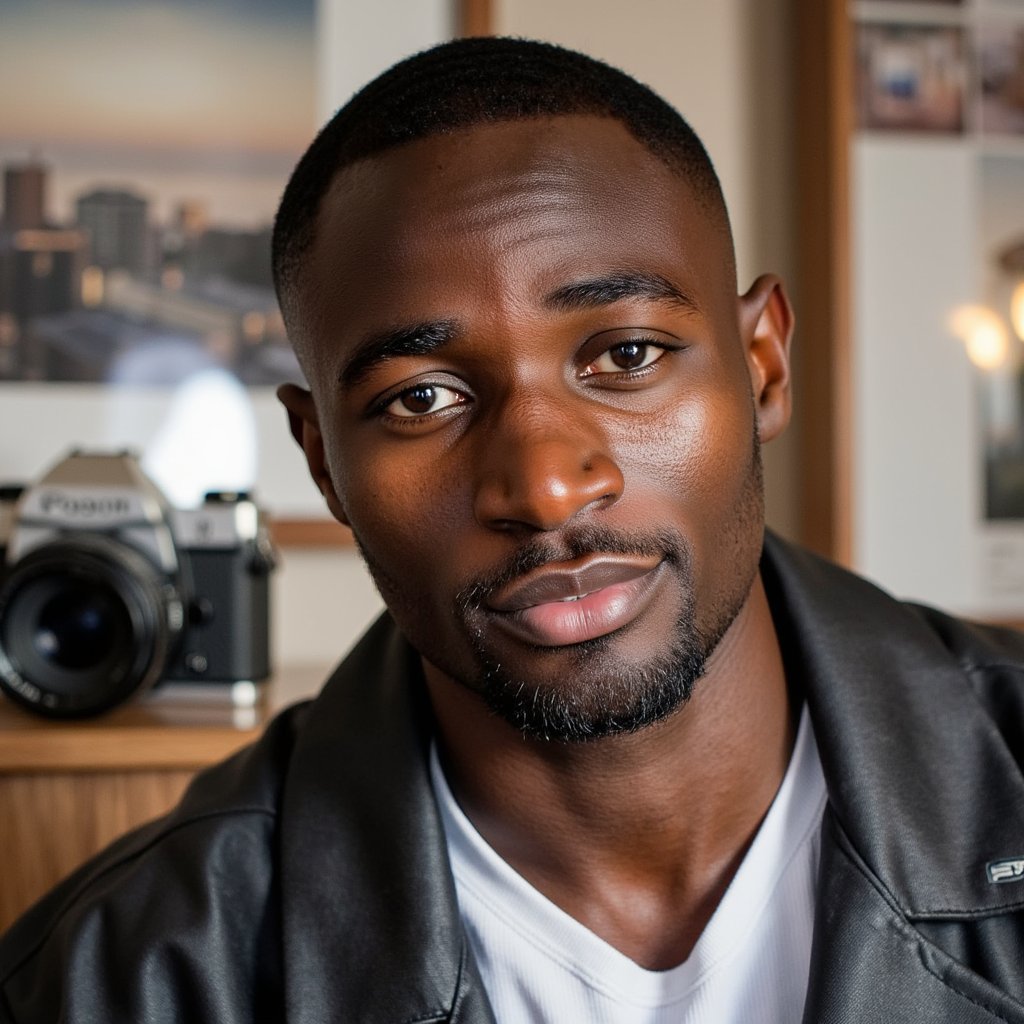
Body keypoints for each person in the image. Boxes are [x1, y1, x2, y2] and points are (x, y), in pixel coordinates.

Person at [3, 35, 1024, 1024]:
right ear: (324, 462)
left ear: (762, 364)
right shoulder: (122, 978)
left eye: (625, 353)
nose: (543, 486)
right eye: (421, 400)